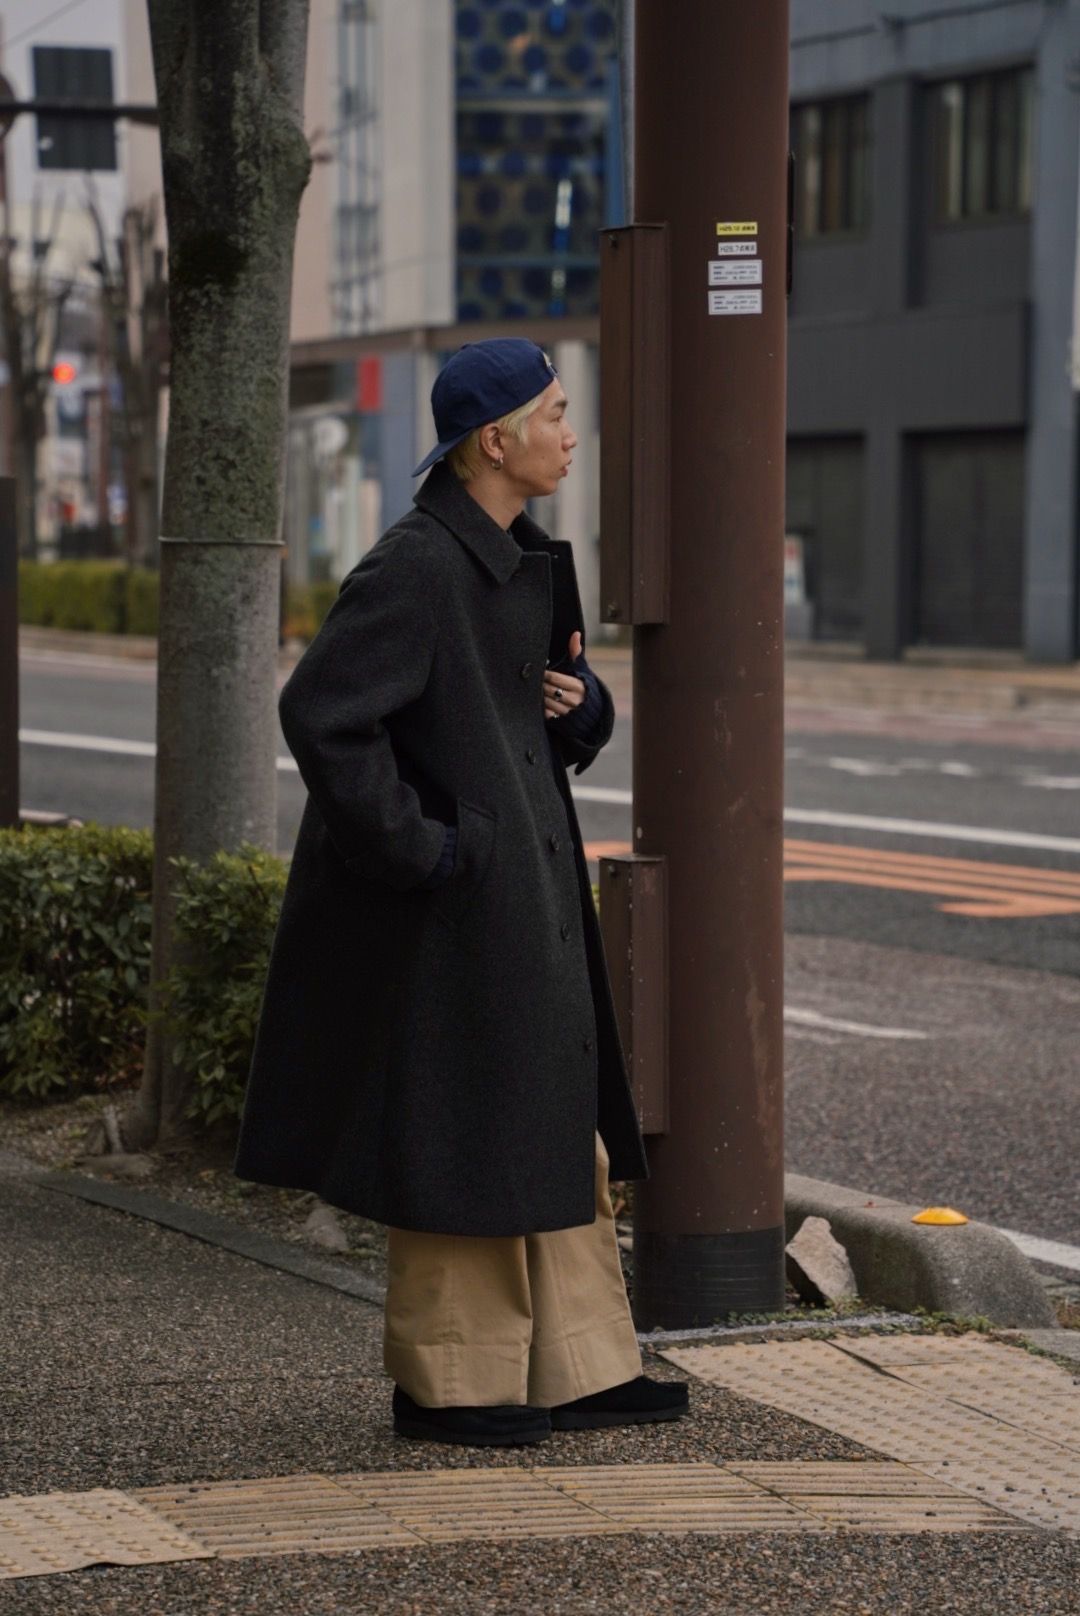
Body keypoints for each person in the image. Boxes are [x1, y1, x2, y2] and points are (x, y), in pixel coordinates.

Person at [234, 338, 688, 1446]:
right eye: (556, 413)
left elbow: (532, 715)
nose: (571, 433)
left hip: (518, 885)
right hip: (455, 898)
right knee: (460, 1132)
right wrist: (425, 848)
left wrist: (580, 710)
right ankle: (449, 1382)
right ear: (497, 439)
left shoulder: (512, 555)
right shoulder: (419, 564)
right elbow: (324, 716)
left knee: (549, 1117)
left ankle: (581, 1363)